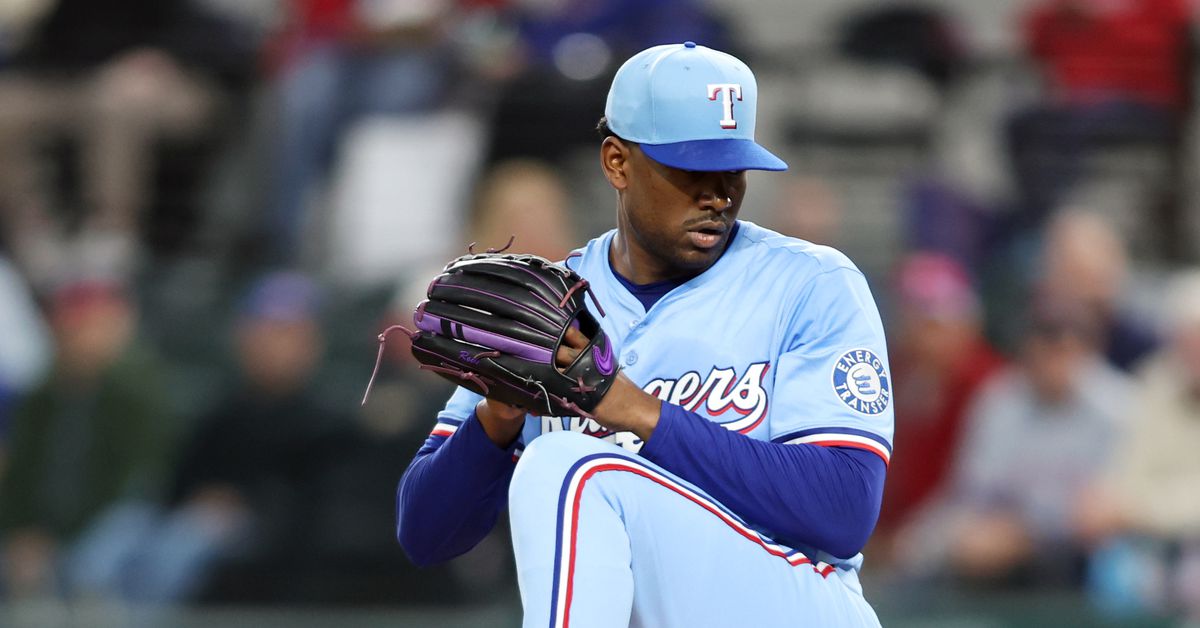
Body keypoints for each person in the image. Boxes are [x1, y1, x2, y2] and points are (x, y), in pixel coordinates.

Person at [395, 42, 891, 626]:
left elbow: (843, 511)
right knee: (564, 467)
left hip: (794, 599)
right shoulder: (552, 304)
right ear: (616, 162)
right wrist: (497, 420)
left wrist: (628, 407)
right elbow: (426, 536)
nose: (718, 194)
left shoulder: (811, 282)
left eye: (732, 169)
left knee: (571, 467)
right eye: (691, 170)